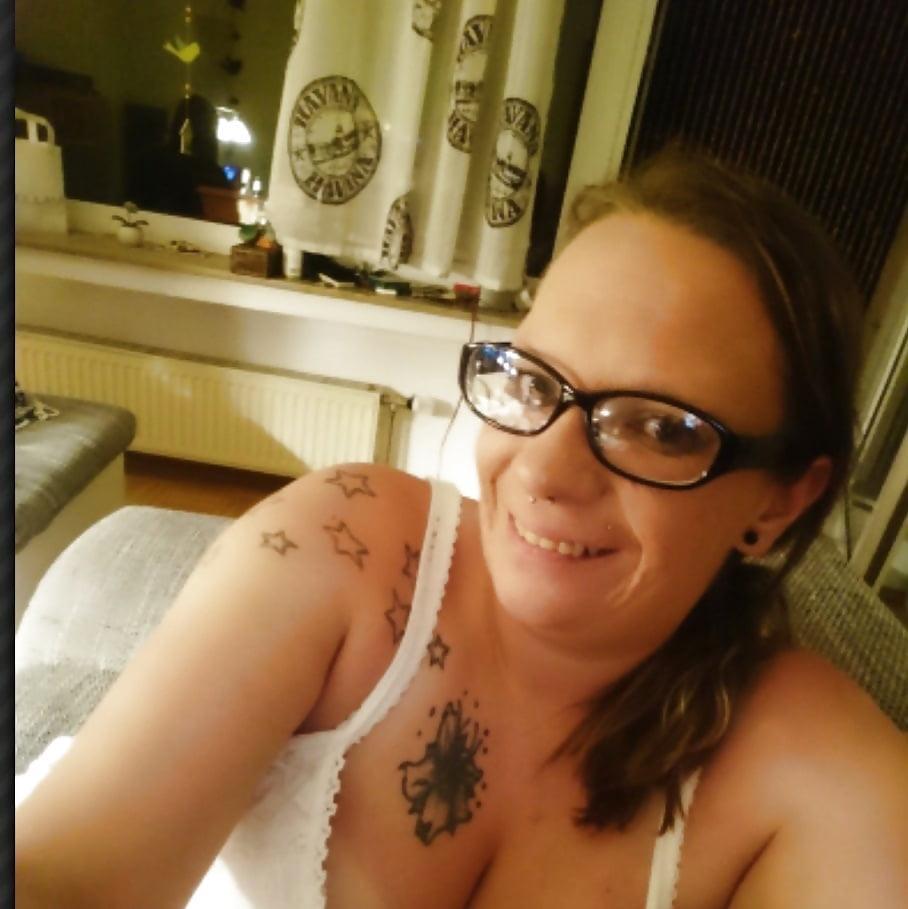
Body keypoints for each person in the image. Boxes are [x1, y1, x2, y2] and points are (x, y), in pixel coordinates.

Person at [16, 148, 908, 908]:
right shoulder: (345, 546)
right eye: (534, 380)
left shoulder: (807, 761)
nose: (544, 470)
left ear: (779, 501)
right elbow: (73, 872)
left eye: (660, 427)